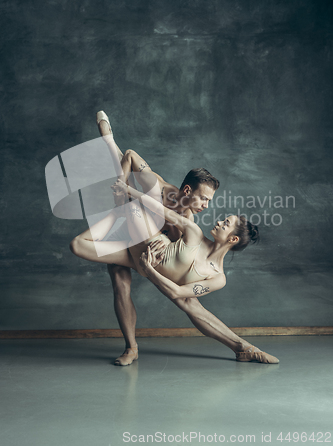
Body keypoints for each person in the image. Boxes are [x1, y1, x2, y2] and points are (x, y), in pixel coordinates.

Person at [69, 112, 279, 366]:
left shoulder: (195, 230)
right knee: (121, 280)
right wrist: (125, 190)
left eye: (223, 221)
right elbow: (132, 158)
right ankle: (132, 348)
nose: (210, 210)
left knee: (191, 304)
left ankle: (243, 348)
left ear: (233, 239)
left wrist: (162, 242)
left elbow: (178, 254)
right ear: (189, 190)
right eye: (204, 199)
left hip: (147, 252)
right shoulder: (159, 190)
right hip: (132, 229)